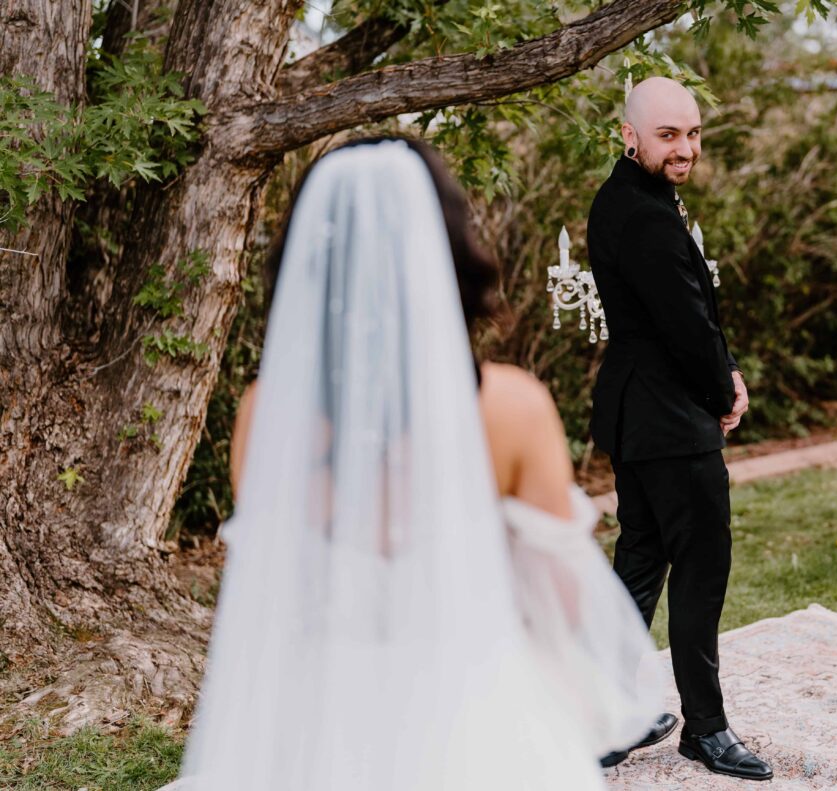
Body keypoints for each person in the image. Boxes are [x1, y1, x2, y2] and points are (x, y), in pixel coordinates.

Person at [180, 137, 662, 791]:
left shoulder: (265, 415)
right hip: (472, 719)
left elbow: (272, 598)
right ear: (449, 254)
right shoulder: (512, 408)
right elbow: (566, 606)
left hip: (316, 727)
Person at [586, 77, 773, 781]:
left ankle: (606, 715)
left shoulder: (621, 200)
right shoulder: (645, 215)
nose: (685, 148)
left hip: (637, 415)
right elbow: (686, 322)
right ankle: (707, 729)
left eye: (693, 134)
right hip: (670, 422)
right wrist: (724, 385)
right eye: (669, 135)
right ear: (629, 135)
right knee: (701, 567)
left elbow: (686, 311)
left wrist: (720, 367)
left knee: (638, 562)